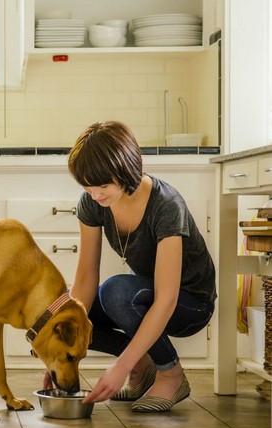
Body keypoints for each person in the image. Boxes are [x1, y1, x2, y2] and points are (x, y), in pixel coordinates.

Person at [54, 120, 216, 412]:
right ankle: (143, 366)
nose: (96, 195)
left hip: (190, 304)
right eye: (88, 188)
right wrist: (63, 353)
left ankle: (171, 374)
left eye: (103, 186)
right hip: (144, 297)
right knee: (69, 315)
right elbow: (86, 279)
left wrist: (119, 366)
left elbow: (167, 298)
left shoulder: (166, 204)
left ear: (126, 170)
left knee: (116, 292)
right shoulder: (92, 203)